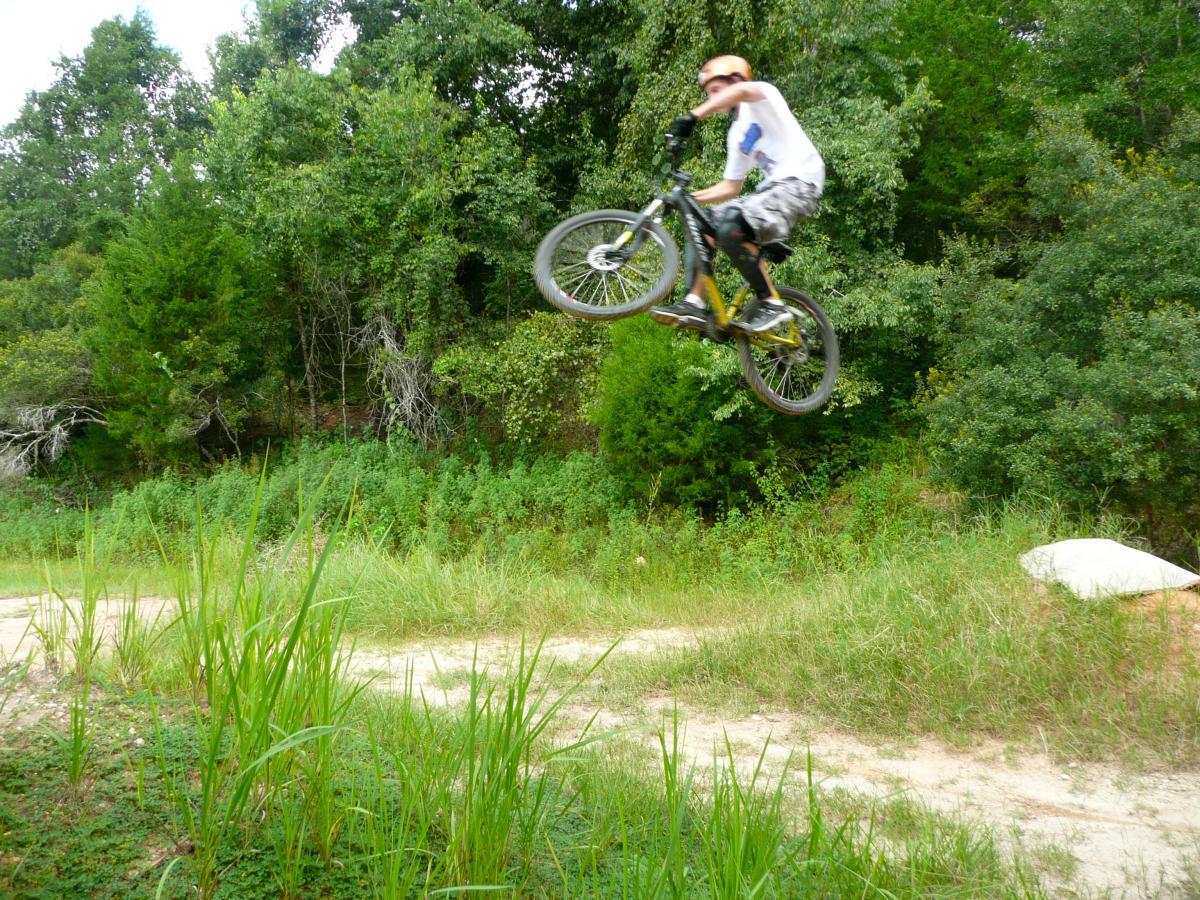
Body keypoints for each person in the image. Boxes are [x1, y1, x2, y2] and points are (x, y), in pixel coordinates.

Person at [649, 55, 824, 334]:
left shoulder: (763, 95)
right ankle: (694, 303)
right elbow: (730, 187)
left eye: (716, 91)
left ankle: (772, 304)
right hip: (770, 191)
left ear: (736, 80)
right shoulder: (736, 133)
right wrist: (688, 199)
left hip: (800, 183)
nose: (712, 99)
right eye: (708, 94)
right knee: (703, 224)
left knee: (731, 223)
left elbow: (741, 93)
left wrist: (693, 115)